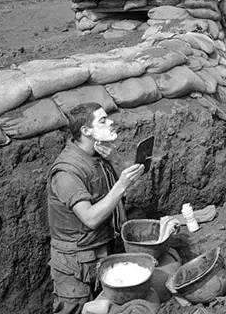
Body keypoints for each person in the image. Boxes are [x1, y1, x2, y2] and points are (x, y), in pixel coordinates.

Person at [47, 102, 144, 314]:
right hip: (75, 262)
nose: (111, 122)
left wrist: (114, 159)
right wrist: (121, 185)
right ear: (86, 130)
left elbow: (120, 189)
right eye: (103, 120)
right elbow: (90, 218)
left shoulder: (98, 154)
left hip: (102, 250)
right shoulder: (67, 172)